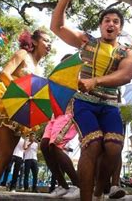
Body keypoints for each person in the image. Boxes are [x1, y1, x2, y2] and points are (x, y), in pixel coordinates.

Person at [50, 0, 132, 201]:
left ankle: (100, 188)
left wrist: (96, 81)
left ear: (120, 29)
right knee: (92, 145)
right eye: (107, 20)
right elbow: (57, 27)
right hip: (83, 103)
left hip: (109, 104)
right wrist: (64, 0)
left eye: (115, 22)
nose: (111, 24)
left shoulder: (126, 52)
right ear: (100, 25)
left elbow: (126, 74)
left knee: (114, 147)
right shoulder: (87, 41)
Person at [0, 29, 51, 200]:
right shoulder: (23, 54)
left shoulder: (39, 68)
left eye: (50, 42)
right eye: (46, 41)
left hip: (21, 111)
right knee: (3, 155)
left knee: (6, 157)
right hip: (6, 105)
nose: (49, 45)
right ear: (34, 42)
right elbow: (4, 74)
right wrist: (24, 90)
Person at [41, 55, 80, 199]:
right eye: (62, 63)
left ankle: (79, 186)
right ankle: (63, 186)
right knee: (45, 146)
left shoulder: (79, 77)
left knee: (55, 146)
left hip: (70, 114)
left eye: (66, 64)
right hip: (55, 115)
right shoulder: (57, 80)